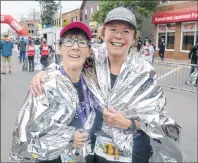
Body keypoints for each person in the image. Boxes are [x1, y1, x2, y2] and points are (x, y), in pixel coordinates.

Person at [29, 7, 182, 163]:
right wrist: (46, 73)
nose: (118, 36)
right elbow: (69, 62)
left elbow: (157, 121)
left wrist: (129, 124)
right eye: (113, 29)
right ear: (103, 34)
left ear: (134, 38)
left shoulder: (145, 73)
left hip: (132, 151)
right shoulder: (92, 61)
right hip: (97, 149)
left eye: (126, 31)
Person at [11, 22, 96, 163]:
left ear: (88, 51)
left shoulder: (94, 84)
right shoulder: (44, 86)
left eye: (81, 42)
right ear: (59, 48)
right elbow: (24, 142)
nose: (75, 47)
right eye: (69, 41)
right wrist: (67, 138)